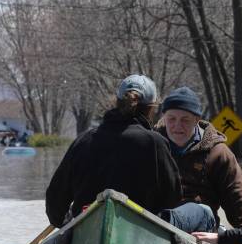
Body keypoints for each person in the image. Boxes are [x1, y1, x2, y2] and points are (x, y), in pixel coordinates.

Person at [45, 74, 183, 228]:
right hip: (139, 230)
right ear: (151, 109)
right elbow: (173, 198)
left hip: (86, 227)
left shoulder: (83, 140)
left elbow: (54, 201)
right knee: (202, 212)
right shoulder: (155, 143)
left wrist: (65, 225)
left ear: (117, 102)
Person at [157, 86, 242, 229]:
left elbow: (238, 199)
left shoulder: (218, 153)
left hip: (202, 228)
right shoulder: (151, 145)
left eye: (185, 120)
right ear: (164, 118)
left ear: (197, 120)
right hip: (157, 224)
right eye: (171, 119)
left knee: (199, 211)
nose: (177, 126)